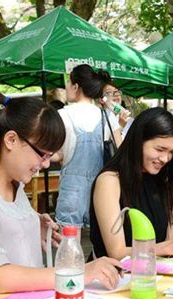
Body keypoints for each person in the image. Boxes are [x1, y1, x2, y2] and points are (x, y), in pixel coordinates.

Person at [0, 95, 121, 299]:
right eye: (42, 154)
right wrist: (77, 273)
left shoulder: (15, 186)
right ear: (11, 140)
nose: (45, 164)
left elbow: (1, 225)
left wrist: (31, 223)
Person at [89, 107, 173, 260]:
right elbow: (117, 252)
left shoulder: (163, 181)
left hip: (155, 276)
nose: (165, 158)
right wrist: (169, 247)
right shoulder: (110, 181)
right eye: (160, 149)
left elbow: (167, 241)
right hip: (115, 278)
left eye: (171, 152)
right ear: (138, 140)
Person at [54, 64, 122, 228]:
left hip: (71, 191)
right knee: (102, 243)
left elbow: (55, 154)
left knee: (70, 245)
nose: (66, 88)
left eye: (68, 84)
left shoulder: (62, 115)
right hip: (102, 189)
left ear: (76, 86)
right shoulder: (107, 115)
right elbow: (121, 150)